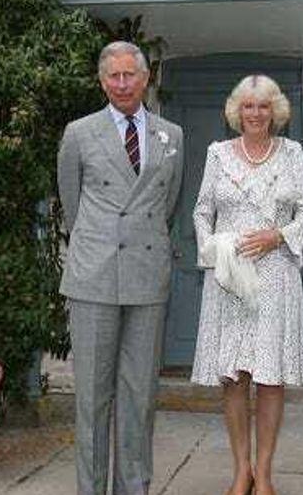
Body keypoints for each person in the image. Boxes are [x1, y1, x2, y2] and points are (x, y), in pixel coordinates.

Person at [56, 41, 185, 495]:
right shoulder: (78, 132)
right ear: (102, 80)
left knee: (139, 397)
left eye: (131, 74)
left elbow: (167, 204)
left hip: (147, 278)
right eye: (114, 75)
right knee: (92, 398)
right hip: (93, 277)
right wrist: (100, 242)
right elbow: (71, 204)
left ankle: (135, 488)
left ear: (146, 78)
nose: (123, 83)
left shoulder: (172, 134)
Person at [191, 74, 303, 495]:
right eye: (248, 105)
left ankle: (266, 474)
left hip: (276, 275)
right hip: (229, 280)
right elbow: (202, 210)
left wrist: (277, 235)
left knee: (269, 377)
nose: (255, 113)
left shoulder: (292, 152)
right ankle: (241, 471)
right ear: (236, 111)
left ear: (275, 111)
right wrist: (213, 248)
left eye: (263, 106)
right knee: (235, 376)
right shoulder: (218, 154)